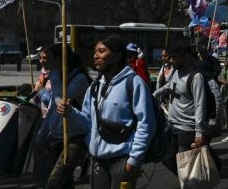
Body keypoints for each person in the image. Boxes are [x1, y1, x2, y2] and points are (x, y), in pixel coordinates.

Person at [57, 35, 155, 189]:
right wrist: (70, 112)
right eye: (95, 51)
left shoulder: (134, 83)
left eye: (101, 51)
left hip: (123, 161)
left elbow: (147, 124)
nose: (96, 55)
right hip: (97, 160)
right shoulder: (95, 87)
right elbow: (86, 122)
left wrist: (134, 160)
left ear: (117, 55)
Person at [33, 43, 90, 189]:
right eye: (40, 58)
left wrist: (40, 90)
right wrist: (42, 134)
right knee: (65, 182)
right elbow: (53, 107)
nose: (41, 61)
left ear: (59, 59)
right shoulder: (54, 74)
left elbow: (60, 101)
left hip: (75, 137)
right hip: (56, 136)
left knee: (54, 182)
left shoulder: (79, 79)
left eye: (45, 58)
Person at [160, 39, 210, 175]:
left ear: (186, 56)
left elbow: (200, 105)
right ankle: (189, 181)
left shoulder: (196, 77)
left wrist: (199, 132)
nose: (172, 61)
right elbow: (171, 85)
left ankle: (190, 182)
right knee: (168, 159)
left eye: (175, 57)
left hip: (187, 129)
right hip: (173, 125)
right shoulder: (176, 71)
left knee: (186, 166)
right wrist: (155, 93)